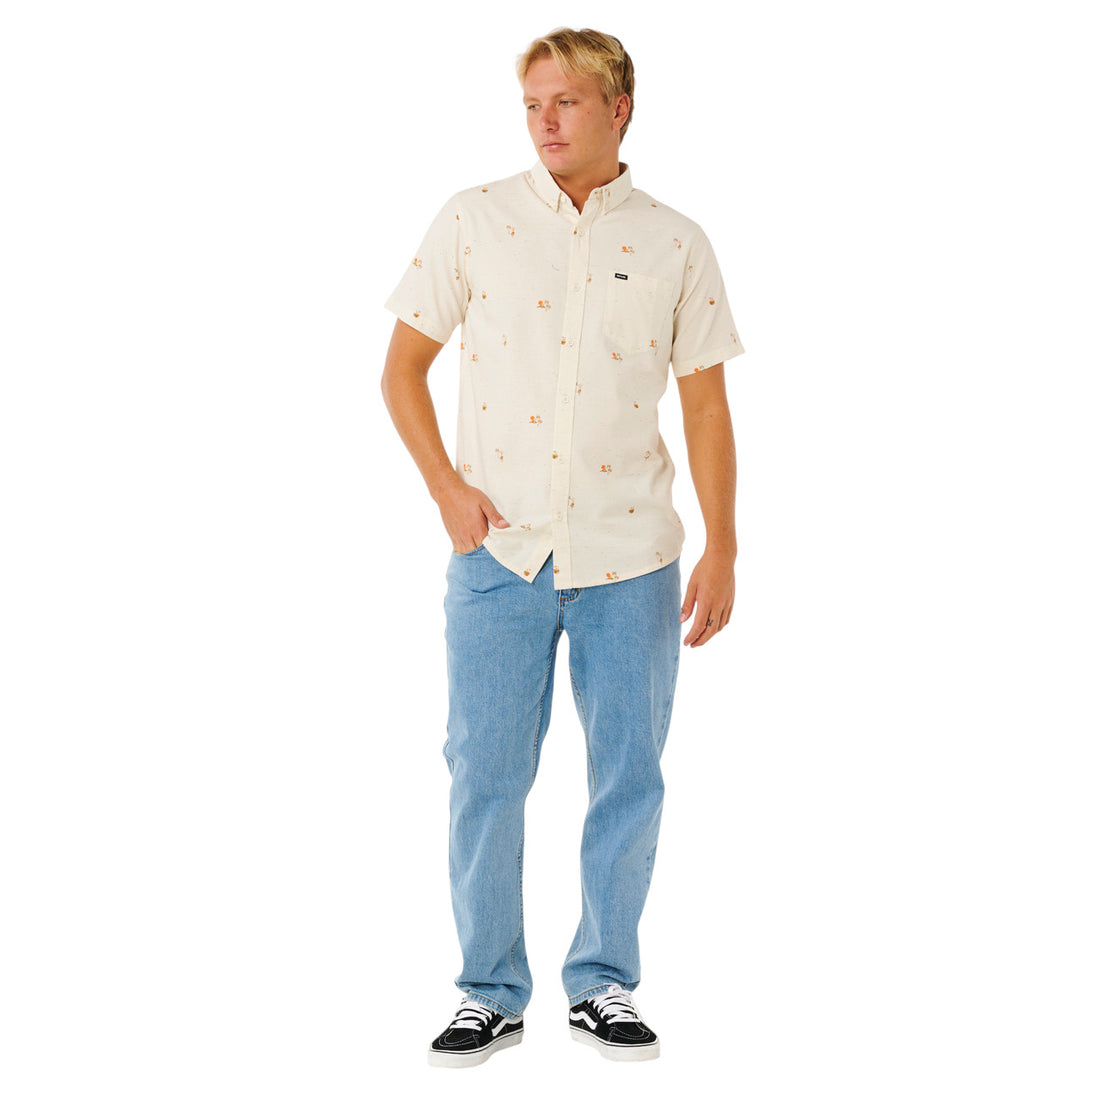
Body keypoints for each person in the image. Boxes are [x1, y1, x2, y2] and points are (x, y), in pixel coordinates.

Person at [381, 27, 745, 1066]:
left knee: (629, 775)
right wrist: (445, 490)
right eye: (532, 104)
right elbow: (400, 370)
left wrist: (723, 546)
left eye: (566, 102)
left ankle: (603, 979)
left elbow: (705, 408)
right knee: (484, 774)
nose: (544, 122)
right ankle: (488, 990)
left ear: (618, 108)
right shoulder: (473, 219)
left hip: (633, 558)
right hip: (498, 556)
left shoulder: (676, 242)